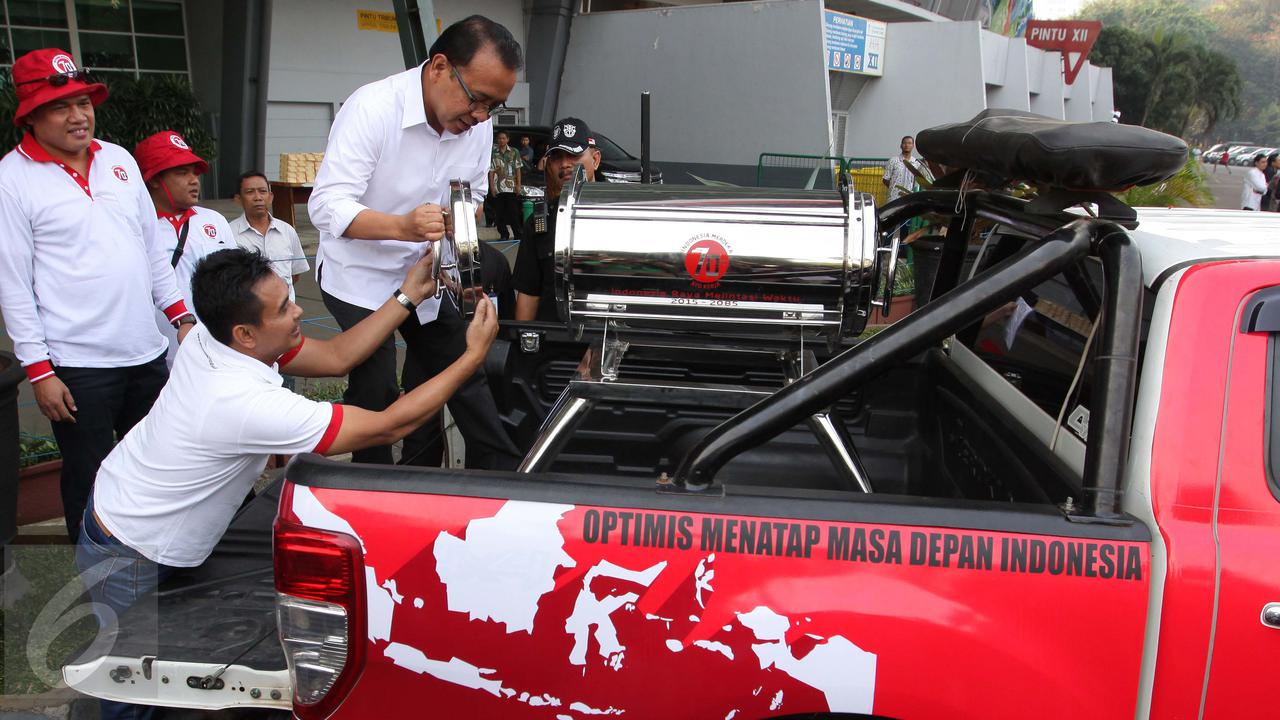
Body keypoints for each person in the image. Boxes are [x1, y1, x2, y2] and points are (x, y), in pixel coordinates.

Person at [76, 247, 498, 719]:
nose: (298, 310)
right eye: (282, 308)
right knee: (133, 688)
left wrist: (407, 295)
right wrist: (472, 357)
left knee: (161, 677)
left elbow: (337, 356)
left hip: (124, 503)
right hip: (133, 546)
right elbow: (388, 425)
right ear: (245, 333)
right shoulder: (241, 402)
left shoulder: (214, 339)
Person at [307, 15, 522, 469]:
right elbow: (325, 206)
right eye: (477, 99)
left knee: (465, 371)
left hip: (426, 275)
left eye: (494, 106)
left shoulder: (477, 126)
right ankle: (372, 488)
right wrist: (401, 227)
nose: (481, 117)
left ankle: (500, 479)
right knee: (377, 388)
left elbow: (473, 193)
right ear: (440, 67)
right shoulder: (373, 108)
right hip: (360, 277)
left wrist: (461, 220)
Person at [0, 49, 193, 542]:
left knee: (154, 468)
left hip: (145, 351)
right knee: (89, 477)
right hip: (77, 365)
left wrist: (181, 318)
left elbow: (151, 250)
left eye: (83, 102)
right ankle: (96, 576)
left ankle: (157, 560)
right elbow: (13, 284)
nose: (78, 115)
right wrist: (40, 372)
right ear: (30, 116)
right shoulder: (12, 178)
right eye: (60, 106)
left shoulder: (119, 160)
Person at [134, 130, 234, 367]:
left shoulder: (214, 220)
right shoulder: (135, 227)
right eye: (182, 173)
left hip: (214, 348)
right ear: (154, 179)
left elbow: (235, 282)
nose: (194, 180)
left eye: (195, 173)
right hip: (155, 354)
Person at [513, 117, 602, 322]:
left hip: (607, 336)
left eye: (574, 155)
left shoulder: (619, 216)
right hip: (553, 336)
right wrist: (524, 336)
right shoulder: (539, 223)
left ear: (595, 159)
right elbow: (529, 294)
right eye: (556, 157)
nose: (565, 164)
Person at [231, 171, 309, 302]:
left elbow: (295, 274)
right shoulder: (229, 233)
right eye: (250, 192)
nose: (258, 197)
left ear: (271, 197)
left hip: (285, 308)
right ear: (238, 199)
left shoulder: (287, 231)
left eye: (262, 191)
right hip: (247, 309)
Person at [489, 130, 523, 241]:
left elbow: (518, 169)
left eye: (503, 138)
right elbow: (491, 171)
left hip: (511, 187)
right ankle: (504, 234)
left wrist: (518, 185)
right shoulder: (494, 153)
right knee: (499, 213)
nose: (501, 140)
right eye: (499, 138)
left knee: (513, 212)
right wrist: (492, 187)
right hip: (498, 187)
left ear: (507, 139)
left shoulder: (514, 151)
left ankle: (518, 234)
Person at [881, 135, 933, 203]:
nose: (907, 145)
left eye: (909, 143)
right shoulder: (893, 160)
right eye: (904, 143)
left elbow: (919, 181)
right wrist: (894, 188)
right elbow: (885, 179)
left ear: (913, 146)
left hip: (909, 198)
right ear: (901, 146)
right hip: (893, 198)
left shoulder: (916, 163)